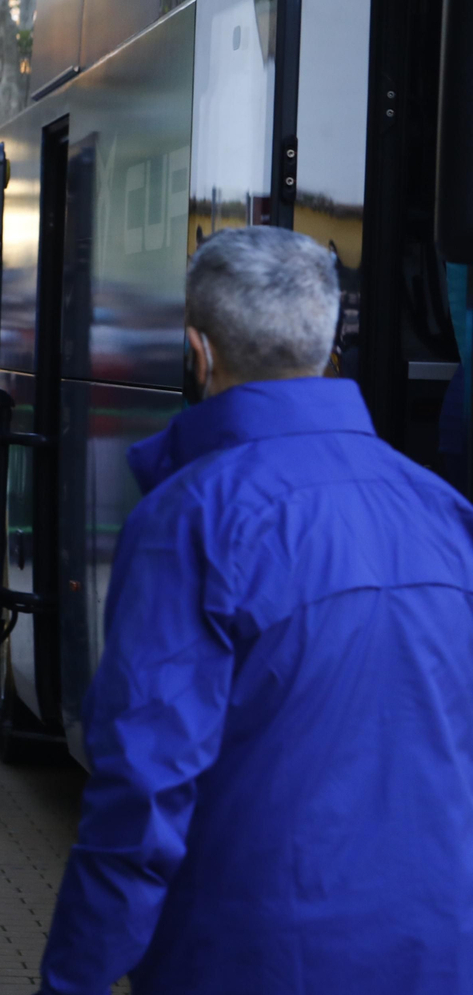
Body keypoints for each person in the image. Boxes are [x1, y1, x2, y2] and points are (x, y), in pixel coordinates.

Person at [38, 227, 473, 995]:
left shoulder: (192, 517)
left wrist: (75, 976)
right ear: (330, 344)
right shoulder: (441, 508)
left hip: (253, 949)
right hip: (434, 945)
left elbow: (143, 788)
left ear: (198, 352)